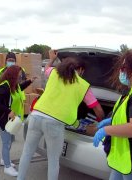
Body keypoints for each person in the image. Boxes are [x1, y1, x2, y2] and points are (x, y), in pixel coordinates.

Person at [17, 50, 105, 180]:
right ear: (80, 70)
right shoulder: (83, 85)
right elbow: (97, 108)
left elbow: (46, 68)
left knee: (26, 153)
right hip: (54, 124)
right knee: (53, 161)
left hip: (35, 116)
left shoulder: (54, 73)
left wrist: (52, 58)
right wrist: (102, 121)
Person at [93, 50, 132, 180]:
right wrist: (110, 121)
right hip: (121, 158)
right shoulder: (130, 93)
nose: (121, 71)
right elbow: (126, 115)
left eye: (124, 68)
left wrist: (106, 130)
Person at [0, 65, 35, 177]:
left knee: (10, 140)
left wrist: (29, 81)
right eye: (19, 75)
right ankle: (7, 167)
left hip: (11, 118)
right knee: (6, 143)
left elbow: (20, 88)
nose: (20, 76)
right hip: (3, 118)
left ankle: (4, 160)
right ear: (13, 75)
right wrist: (8, 111)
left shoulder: (13, 85)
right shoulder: (3, 87)